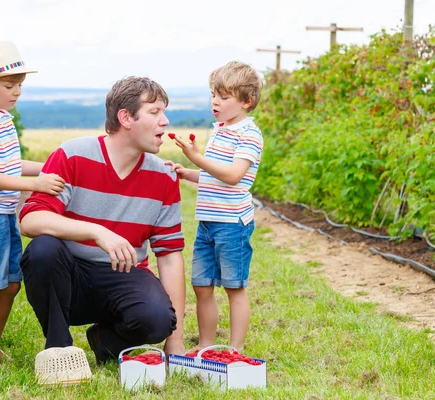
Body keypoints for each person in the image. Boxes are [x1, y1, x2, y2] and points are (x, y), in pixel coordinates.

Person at [19, 76, 186, 365]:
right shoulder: (71, 155)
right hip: (70, 276)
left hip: (124, 273)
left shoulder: (164, 176)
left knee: (158, 319)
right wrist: (96, 231)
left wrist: (176, 344)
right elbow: (31, 220)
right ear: (126, 118)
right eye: (155, 112)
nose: (165, 121)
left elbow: (170, 258)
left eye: (164, 112)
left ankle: (104, 342)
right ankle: (58, 350)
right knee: (43, 250)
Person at [0, 41, 65, 366]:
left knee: (11, 284)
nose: (17, 91)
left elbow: (11, 165)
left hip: (3, 211)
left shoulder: (2, 118)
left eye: (19, 85)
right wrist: (35, 185)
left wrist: (51, 167)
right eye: (9, 85)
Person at [166, 61, 264, 352]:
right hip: (208, 222)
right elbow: (214, 174)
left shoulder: (249, 134)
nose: (215, 102)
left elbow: (234, 176)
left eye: (224, 96)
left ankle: (235, 349)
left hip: (233, 224)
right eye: (213, 94)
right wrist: (188, 172)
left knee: (234, 288)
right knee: (201, 286)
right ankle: (207, 344)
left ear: (246, 101)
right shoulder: (220, 130)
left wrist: (197, 158)